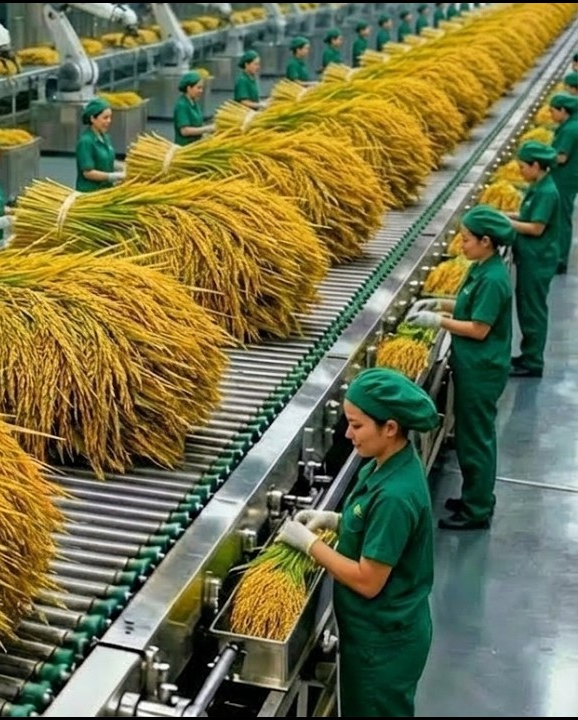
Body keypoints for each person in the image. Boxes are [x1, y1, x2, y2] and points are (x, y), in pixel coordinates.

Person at [277, 367, 438, 717]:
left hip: (383, 645)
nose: (348, 434)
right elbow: (370, 522)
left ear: (390, 428)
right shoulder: (385, 462)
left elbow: (368, 581)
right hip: (372, 632)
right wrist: (335, 521)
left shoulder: (396, 496)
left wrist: (310, 545)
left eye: (357, 425)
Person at [405, 205, 514, 531]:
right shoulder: (483, 268)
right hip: (474, 366)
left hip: (482, 371)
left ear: (485, 241)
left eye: (466, 239)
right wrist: (438, 303)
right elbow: (470, 306)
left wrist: (438, 321)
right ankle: (475, 497)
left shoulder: (493, 279)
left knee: (475, 439)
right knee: (472, 436)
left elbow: (479, 329)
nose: (460, 244)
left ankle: (476, 509)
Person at [506, 141, 562, 378]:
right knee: (527, 307)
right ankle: (527, 355)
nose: (520, 171)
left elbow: (536, 228)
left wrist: (505, 223)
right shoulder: (538, 186)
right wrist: (504, 215)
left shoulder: (547, 192)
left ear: (536, 165)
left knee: (532, 310)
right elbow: (527, 216)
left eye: (522, 167)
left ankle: (532, 361)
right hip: (531, 257)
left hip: (538, 260)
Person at [548, 92, 578, 274]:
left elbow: (561, 157)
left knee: (561, 218)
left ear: (563, 110)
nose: (550, 115)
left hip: (565, 180)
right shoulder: (571, 125)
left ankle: (559, 259)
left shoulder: (569, 130)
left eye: (552, 111)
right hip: (568, 178)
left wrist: (541, 157)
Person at [75, 97, 125, 191]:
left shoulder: (105, 137)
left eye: (110, 117)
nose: (109, 121)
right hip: (91, 192)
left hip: (105, 189)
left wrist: (123, 167)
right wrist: (112, 176)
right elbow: (88, 173)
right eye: (105, 118)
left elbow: (107, 160)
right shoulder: (86, 142)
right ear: (93, 119)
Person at [173, 71, 213, 146]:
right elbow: (184, 131)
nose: (201, 91)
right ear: (189, 88)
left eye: (202, 88)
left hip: (195, 145)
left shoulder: (194, 102)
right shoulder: (181, 105)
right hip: (185, 147)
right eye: (198, 88)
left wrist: (205, 135)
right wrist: (208, 129)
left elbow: (197, 124)